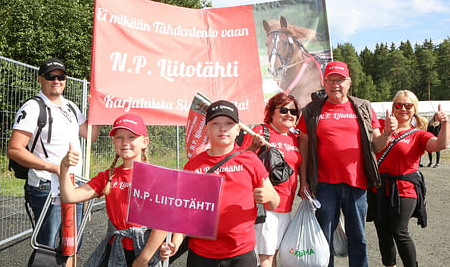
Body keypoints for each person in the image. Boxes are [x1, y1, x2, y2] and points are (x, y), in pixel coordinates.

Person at [296, 60, 397, 267]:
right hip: (324, 185)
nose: (335, 85)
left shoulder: (363, 107)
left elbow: (377, 145)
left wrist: (387, 132)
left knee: (358, 238)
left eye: (340, 80)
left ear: (349, 82)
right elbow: (304, 149)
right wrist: (303, 182)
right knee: (324, 238)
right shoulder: (312, 111)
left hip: (357, 184)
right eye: (331, 80)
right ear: (324, 83)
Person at [160, 100, 280, 266]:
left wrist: (268, 196)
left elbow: (274, 202)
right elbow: (184, 212)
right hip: (202, 255)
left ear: (238, 129)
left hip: (241, 254)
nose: (222, 128)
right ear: (207, 128)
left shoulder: (250, 160)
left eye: (229, 123)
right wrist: (176, 243)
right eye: (215, 123)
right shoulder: (194, 166)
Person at [6, 58, 99, 249]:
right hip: (46, 185)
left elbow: (92, 135)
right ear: (40, 79)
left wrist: (95, 108)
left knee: (72, 243)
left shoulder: (70, 106)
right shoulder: (33, 107)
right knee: (47, 247)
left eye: (61, 76)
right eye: (51, 76)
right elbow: (14, 149)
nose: (56, 81)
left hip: (74, 184)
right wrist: (55, 168)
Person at [59, 113, 166, 266]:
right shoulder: (108, 177)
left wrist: (144, 258)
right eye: (119, 137)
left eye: (131, 137)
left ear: (145, 142)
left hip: (144, 250)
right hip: (115, 247)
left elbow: (162, 225)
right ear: (114, 142)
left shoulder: (157, 177)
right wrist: (64, 167)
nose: (125, 142)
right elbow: (70, 196)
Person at [370, 90, 449, 267]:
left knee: (399, 231)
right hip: (380, 187)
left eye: (408, 105)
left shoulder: (418, 134)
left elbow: (440, 145)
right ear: (393, 107)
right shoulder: (382, 126)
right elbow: (374, 146)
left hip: (405, 188)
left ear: (414, 109)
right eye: (398, 105)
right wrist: (387, 133)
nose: (403, 108)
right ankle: (390, 265)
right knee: (383, 232)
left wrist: (445, 123)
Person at [241, 93, 302, 267]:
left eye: (293, 111)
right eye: (283, 110)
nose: (289, 114)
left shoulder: (294, 138)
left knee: (274, 254)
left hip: (286, 206)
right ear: (272, 112)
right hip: (265, 206)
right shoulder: (261, 131)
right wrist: (254, 146)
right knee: (264, 257)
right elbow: (241, 161)